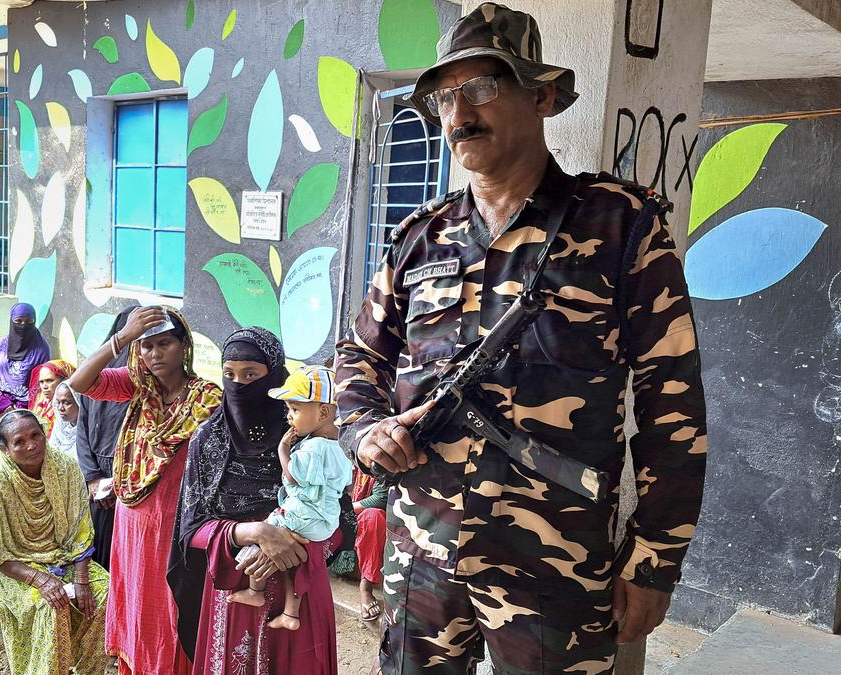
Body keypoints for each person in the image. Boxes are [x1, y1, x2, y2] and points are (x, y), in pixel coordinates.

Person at [333, 5, 708, 672]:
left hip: (553, 563)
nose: (458, 114)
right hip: (422, 551)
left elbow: (671, 404)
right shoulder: (419, 237)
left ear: (540, 96)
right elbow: (359, 356)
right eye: (445, 96)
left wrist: (655, 560)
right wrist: (364, 427)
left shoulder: (621, 228)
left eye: (482, 88)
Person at [169, 328, 338, 673]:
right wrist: (256, 533)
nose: (238, 385)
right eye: (229, 374)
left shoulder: (308, 439)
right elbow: (191, 529)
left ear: (274, 375)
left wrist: (295, 548)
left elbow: (342, 522)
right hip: (234, 586)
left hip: (298, 588)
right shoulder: (209, 439)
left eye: (250, 374)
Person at [69, 306, 221, 675]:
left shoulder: (208, 399)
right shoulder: (137, 388)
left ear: (183, 346)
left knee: (170, 609)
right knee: (136, 604)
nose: (154, 354)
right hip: (131, 523)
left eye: (164, 344)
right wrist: (121, 338)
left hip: (174, 526)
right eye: (146, 346)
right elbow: (79, 382)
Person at [0, 409, 108, 675]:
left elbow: (81, 530)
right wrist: (40, 579)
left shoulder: (65, 467)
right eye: (19, 442)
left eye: (36, 435)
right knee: (51, 607)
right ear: (5, 448)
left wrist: (81, 579)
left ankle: (87, 670)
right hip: (12, 566)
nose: (31, 445)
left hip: (65, 556)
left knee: (106, 595)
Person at [228, 366, 350, 632]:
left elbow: (293, 477)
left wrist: (284, 449)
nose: (289, 416)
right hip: (325, 519)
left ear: (323, 413)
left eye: (295, 409)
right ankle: (291, 614)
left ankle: (254, 589)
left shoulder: (312, 448)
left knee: (265, 538)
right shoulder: (341, 445)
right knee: (296, 563)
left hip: (302, 514)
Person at [75, 307, 136, 572]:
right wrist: (93, 479)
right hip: (99, 473)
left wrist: (118, 482)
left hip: (132, 475)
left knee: (124, 549)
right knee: (99, 542)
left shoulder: (147, 383)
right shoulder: (101, 378)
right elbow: (82, 430)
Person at [0, 303, 50, 433]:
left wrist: (21, 409)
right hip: (2, 407)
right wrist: (5, 404)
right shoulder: (1, 346)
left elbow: (43, 384)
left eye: (28, 321)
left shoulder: (41, 349)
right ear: (11, 321)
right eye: (18, 321)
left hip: (29, 411)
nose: (23, 325)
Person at [351, 472, 389, 622]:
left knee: (373, 517)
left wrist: (343, 509)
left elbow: (381, 499)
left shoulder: (378, 462)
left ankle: (366, 586)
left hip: (367, 518)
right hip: (340, 515)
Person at [28, 359, 76, 433]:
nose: (44, 386)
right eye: (41, 382)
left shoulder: (74, 406)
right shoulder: (41, 405)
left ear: (63, 381)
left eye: (49, 380)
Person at [46, 382, 79, 458]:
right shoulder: (59, 427)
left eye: (67, 403)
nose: (60, 408)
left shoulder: (89, 430)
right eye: (58, 402)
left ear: (79, 402)